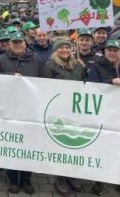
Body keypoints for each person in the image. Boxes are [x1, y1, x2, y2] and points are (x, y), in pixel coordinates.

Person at [86, 39, 120, 196]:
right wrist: (109, 82)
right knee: (104, 149)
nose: (112, 53)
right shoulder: (97, 67)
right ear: (104, 52)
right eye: (109, 50)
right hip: (105, 115)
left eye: (116, 50)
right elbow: (90, 86)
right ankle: (100, 181)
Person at [0, 31, 40, 194]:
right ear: (9, 44)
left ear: (25, 44)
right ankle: (13, 179)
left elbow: (43, 82)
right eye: (14, 42)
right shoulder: (0, 59)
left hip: (30, 109)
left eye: (20, 42)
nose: (18, 44)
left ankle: (26, 179)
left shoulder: (35, 59)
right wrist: (10, 76)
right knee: (12, 145)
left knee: (28, 146)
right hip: (9, 109)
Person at [41, 38, 85, 196]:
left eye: (67, 47)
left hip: (76, 110)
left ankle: (72, 175)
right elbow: (46, 87)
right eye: (61, 48)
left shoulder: (78, 65)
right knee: (61, 145)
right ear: (56, 50)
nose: (65, 50)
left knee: (75, 143)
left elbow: (85, 84)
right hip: (58, 111)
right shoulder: (49, 65)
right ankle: (60, 177)